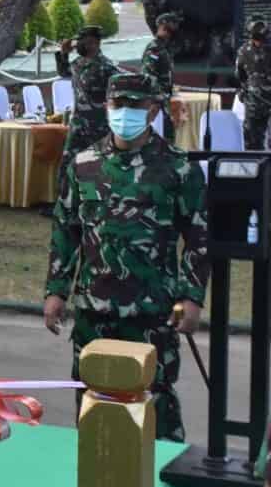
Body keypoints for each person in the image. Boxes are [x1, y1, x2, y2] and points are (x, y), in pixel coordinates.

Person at [43, 72, 208, 442]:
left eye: (136, 105)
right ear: (106, 106)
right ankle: (96, 478)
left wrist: (191, 296)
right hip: (94, 308)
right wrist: (55, 291)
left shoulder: (177, 167)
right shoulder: (84, 163)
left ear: (152, 110)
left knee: (156, 401)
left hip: (151, 309)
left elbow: (199, 238)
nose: (125, 112)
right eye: (118, 104)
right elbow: (66, 230)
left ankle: (161, 484)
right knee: (93, 401)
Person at [55, 25, 119, 196]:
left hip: (98, 126)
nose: (79, 45)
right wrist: (63, 53)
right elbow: (63, 72)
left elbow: (117, 93)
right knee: (68, 162)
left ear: (95, 43)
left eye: (83, 42)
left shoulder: (107, 67)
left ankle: (98, 199)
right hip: (78, 124)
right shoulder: (78, 63)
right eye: (80, 41)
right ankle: (63, 201)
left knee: (98, 164)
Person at [142, 12, 182, 141]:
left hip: (165, 100)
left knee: (168, 136)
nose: (175, 29)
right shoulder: (154, 49)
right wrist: (159, 98)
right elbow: (148, 77)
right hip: (156, 102)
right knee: (160, 136)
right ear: (163, 27)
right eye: (172, 25)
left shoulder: (165, 48)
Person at [237, 15, 271, 150]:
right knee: (252, 143)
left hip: (257, 100)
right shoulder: (244, 51)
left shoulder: (244, 50)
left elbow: (239, 75)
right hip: (254, 103)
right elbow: (240, 75)